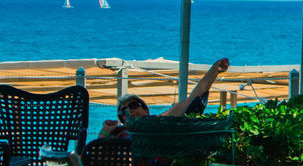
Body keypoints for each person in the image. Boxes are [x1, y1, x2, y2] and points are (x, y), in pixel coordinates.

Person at [98, 58, 230, 139]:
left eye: (133, 106)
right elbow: (98, 153)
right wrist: (106, 131)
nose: (129, 111)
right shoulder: (117, 133)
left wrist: (215, 70)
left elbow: (192, 99)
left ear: (146, 109)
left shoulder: (158, 121)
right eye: (123, 111)